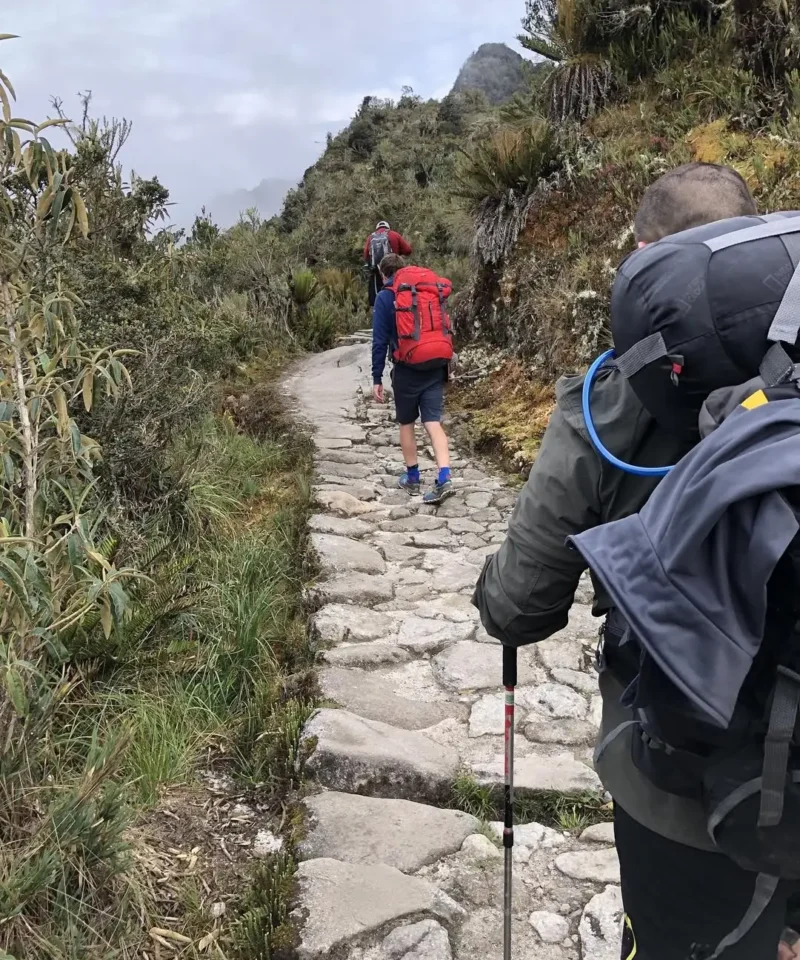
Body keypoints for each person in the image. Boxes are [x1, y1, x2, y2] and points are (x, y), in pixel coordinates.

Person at [473, 161, 800, 960]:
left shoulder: (613, 397)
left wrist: (493, 590)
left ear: (646, 256)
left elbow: (522, 604)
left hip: (686, 788)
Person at [372, 253, 455, 505]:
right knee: (432, 422)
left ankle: (413, 478)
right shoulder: (425, 291)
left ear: (383, 274)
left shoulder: (386, 296)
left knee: (406, 423)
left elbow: (379, 341)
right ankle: (444, 476)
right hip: (436, 365)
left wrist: (377, 378)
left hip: (406, 369)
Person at [364, 221, 412, 307]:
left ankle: (380, 310)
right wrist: (398, 252)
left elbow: (366, 256)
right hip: (394, 268)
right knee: (396, 291)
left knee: (378, 295)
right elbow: (408, 250)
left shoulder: (371, 237)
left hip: (377, 271)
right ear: (388, 227)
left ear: (377, 229)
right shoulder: (394, 235)